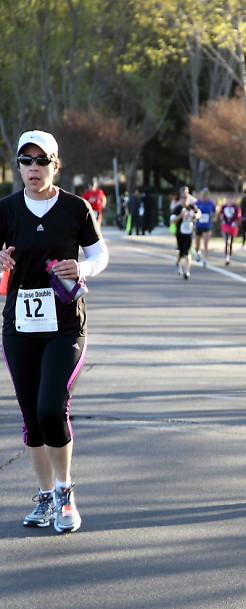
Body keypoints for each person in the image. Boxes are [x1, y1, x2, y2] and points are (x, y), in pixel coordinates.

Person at [0, 129, 108, 532]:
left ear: (55, 165)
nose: (32, 168)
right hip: (20, 325)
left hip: (65, 324)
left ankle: (66, 493)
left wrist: (81, 268)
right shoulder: (6, 209)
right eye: (25, 161)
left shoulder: (76, 208)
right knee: (31, 415)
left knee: (51, 408)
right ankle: (45, 497)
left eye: (41, 161)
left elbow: (99, 254)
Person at [170, 188, 199, 279]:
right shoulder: (178, 208)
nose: (185, 199)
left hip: (189, 232)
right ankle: (177, 264)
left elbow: (199, 215)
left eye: (186, 198)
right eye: (183, 198)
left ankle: (187, 271)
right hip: (180, 232)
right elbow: (173, 220)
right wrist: (181, 215)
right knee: (181, 251)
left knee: (187, 252)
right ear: (181, 199)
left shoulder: (192, 207)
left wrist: (193, 215)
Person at [194, 188, 217, 267]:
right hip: (198, 225)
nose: (204, 196)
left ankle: (205, 260)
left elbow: (215, 212)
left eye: (206, 195)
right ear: (201, 195)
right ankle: (197, 253)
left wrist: (214, 217)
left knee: (206, 244)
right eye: (203, 194)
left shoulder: (211, 203)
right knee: (197, 243)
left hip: (207, 225)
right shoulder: (197, 203)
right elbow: (193, 212)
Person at [218, 192, 241, 265]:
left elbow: (238, 216)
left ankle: (229, 255)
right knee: (227, 240)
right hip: (226, 224)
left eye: (231, 198)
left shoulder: (236, 207)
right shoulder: (224, 206)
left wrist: (236, 221)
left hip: (233, 225)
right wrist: (222, 217)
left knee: (231, 242)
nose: (230, 200)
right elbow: (221, 214)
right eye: (229, 198)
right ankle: (226, 256)